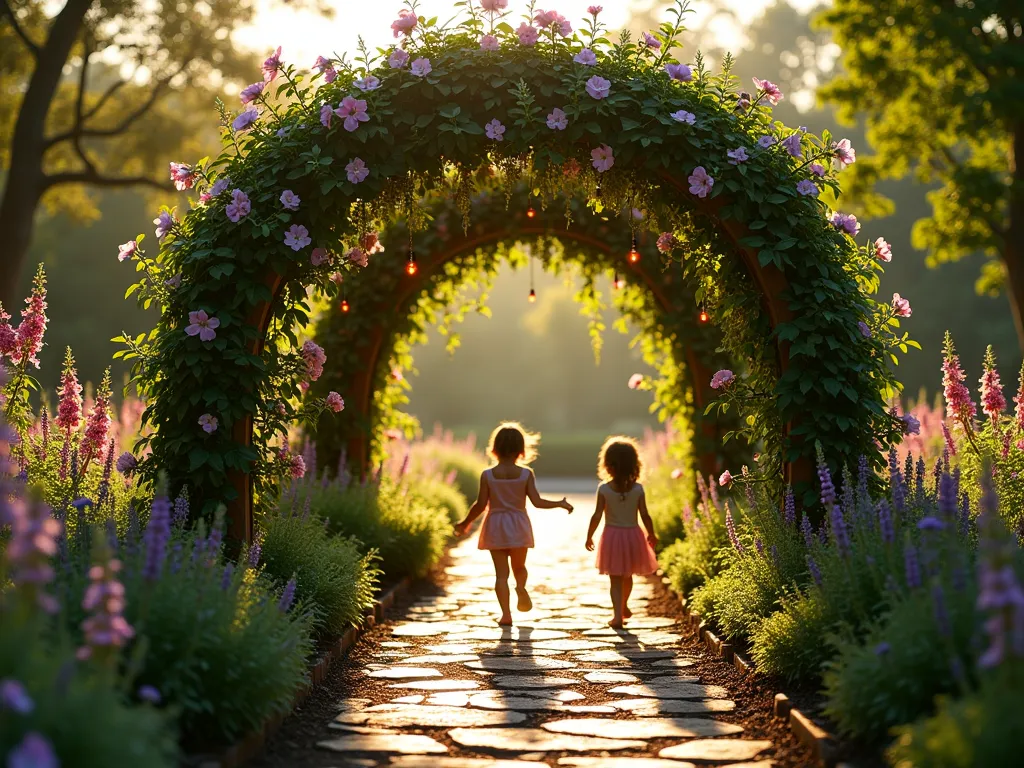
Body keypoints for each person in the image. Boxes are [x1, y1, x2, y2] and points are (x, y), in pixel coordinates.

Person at [454, 422, 573, 626]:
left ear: (495, 448)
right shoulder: (526, 474)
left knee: (501, 574)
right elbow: (537, 502)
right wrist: (559, 504)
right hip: (518, 524)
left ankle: (506, 615)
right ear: (521, 449)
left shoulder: (488, 475)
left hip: (495, 525)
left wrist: (465, 523)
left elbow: (481, 505)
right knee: (519, 567)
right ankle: (520, 587)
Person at [585, 436, 659, 628]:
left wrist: (589, 535)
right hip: (633, 536)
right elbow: (645, 515)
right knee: (628, 576)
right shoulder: (638, 489)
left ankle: (617, 614)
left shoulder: (604, 489)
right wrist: (651, 533)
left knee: (615, 579)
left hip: (612, 536)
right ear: (634, 464)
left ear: (608, 465)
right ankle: (624, 606)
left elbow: (597, 515)